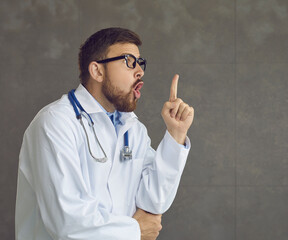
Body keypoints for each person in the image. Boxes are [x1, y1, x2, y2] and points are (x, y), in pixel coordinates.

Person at [15, 27, 194, 240]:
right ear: (97, 71)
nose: (140, 72)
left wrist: (175, 135)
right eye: (129, 61)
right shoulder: (55, 123)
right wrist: (135, 230)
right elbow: (67, 222)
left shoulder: (132, 129)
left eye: (140, 63)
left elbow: (154, 201)